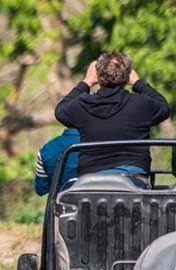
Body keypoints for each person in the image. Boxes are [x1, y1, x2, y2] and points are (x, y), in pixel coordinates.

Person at [55, 52, 170, 185]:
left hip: (90, 180)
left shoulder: (83, 104)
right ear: (127, 76)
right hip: (134, 178)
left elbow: (60, 111)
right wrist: (138, 83)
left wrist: (86, 82)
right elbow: (164, 107)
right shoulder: (140, 103)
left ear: (98, 76)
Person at [34, 129, 80, 196]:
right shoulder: (98, 142)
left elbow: (41, 189)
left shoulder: (47, 148)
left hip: (61, 204)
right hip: (98, 203)